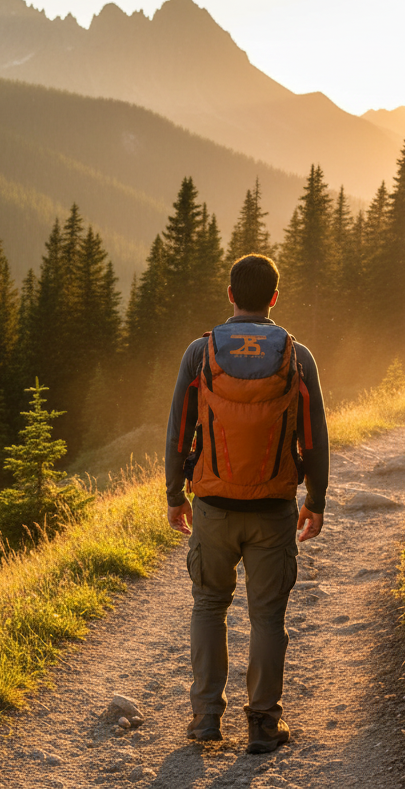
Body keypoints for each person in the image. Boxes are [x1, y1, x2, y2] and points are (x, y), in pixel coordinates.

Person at [165, 253, 330, 754]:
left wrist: (175, 494)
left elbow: (179, 430)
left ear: (231, 295)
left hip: (212, 506)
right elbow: (314, 435)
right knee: (266, 616)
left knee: (209, 606)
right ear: (274, 298)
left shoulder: (201, 352)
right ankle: (262, 724)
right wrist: (315, 499)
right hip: (274, 508)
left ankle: (205, 720)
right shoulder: (297, 356)